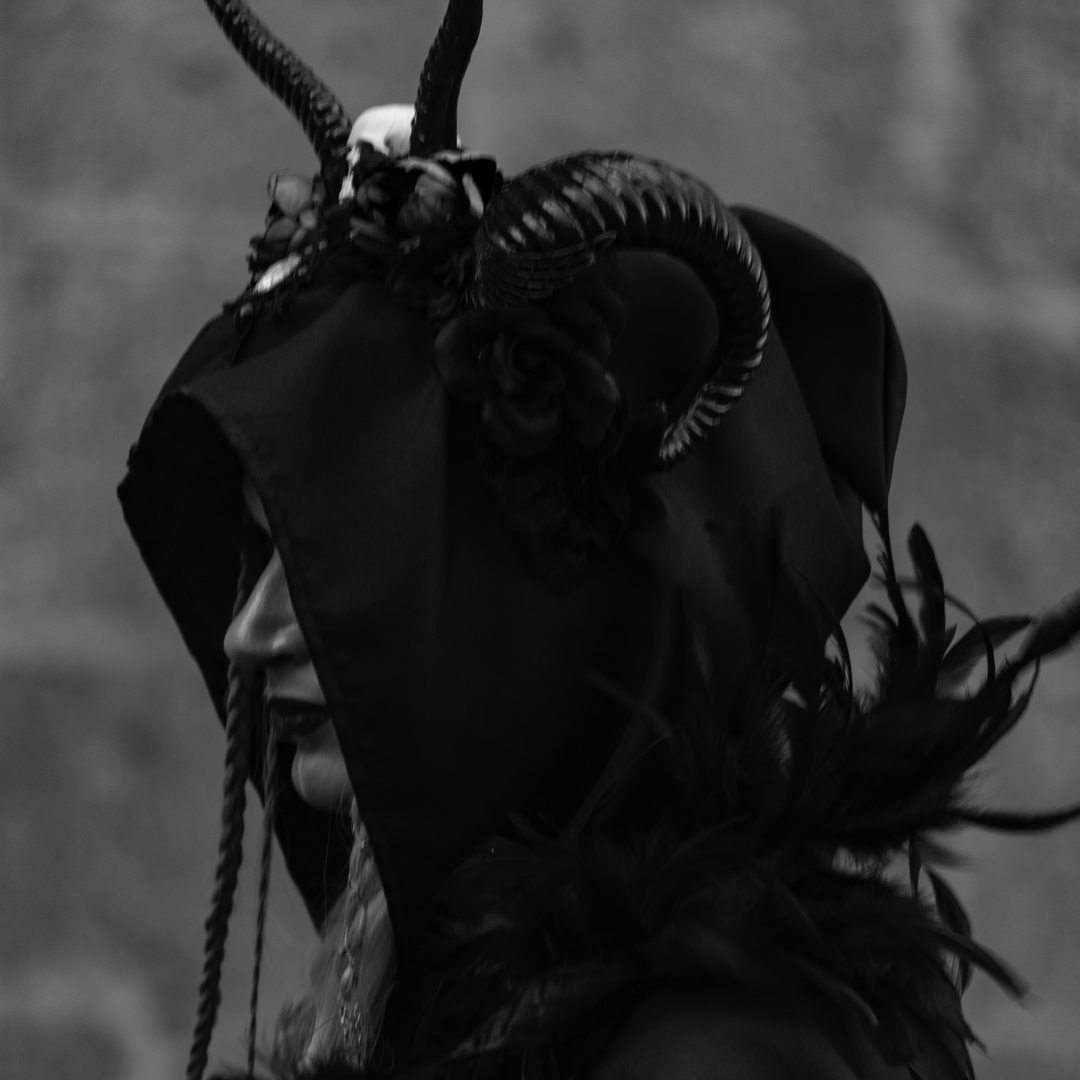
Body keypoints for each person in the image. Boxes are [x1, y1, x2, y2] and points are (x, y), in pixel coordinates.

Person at [119, 2, 1080, 1079]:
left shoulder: (722, 1055)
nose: (250, 635)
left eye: (324, 563)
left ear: (543, 602)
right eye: (262, 558)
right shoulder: (474, 987)